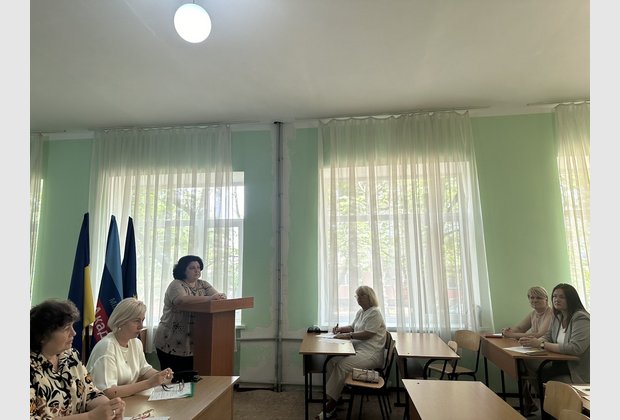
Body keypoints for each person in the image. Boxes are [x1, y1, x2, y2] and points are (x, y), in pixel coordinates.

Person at [30, 298, 125, 419]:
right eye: (66, 329)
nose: (74, 333)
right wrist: (90, 417)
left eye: (72, 326)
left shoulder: (71, 356)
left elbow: (90, 393)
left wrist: (110, 408)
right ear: (42, 336)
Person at [315, 285, 387, 420]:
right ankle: (337, 397)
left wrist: (348, 335)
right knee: (331, 361)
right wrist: (341, 329)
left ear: (369, 297)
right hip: (359, 350)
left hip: (371, 353)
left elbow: (368, 334)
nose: (358, 299)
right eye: (356, 296)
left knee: (342, 366)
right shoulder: (361, 312)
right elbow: (353, 327)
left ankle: (331, 404)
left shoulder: (375, 313)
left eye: (360, 296)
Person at [518, 283, 590, 416]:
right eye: (555, 296)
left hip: (577, 368)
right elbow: (548, 336)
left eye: (562, 297)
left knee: (543, 375)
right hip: (560, 364)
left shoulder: (581, 317)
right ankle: (551, 411)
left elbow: (575, 348)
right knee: (532, 367)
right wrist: (533, 342)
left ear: (571, 299)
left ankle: (561, 411)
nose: (557, 299)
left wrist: (541, 345)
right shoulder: (558, 316)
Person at [86, 298, 174, 398]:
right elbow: (108, 392)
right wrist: (149, 383)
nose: (141, 326)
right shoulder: (107, 347)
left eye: (142, 320)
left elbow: (144, 370)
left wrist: (161, 375)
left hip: (126, 400)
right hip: (103, 404)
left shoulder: (136, 342)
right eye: (137, 321)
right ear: (121, 321)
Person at [154, 255, 227, 373]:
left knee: (191, 378)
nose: (197, 270)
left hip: (193, 342)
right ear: (183, 270)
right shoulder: (176, 284)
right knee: (173, 378)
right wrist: (210, 298)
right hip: (171, 341)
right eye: (192, 268)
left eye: (198, 267)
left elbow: (217, 299)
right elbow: (182, 300)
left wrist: (221, 297)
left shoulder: (204, 284)